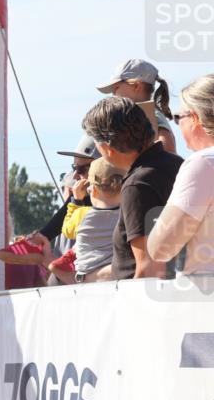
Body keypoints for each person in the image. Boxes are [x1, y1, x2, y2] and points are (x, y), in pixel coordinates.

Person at [81, 97, 183, 280]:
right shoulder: (178, 164)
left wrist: (133, 307)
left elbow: (149, 266)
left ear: (108, 148)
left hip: (148, 299)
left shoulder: (138, 185)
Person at [149, 74, 214, 275]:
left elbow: (160, 248)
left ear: (194, 118)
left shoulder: (203, 163)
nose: (177, 124)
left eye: (178, 117)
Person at [49, 158, 125, 284]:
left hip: (87, 274)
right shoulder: (126, 215)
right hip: (114, 271)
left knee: (59, 266)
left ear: (93, 191)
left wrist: (77, 201)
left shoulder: (83, 213)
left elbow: (67, 230)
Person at [97, 58, 177, 154]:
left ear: (136, 86)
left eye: (116, 88)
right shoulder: (141, 114)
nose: (113, 93)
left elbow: (168, 147)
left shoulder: (152, 114)